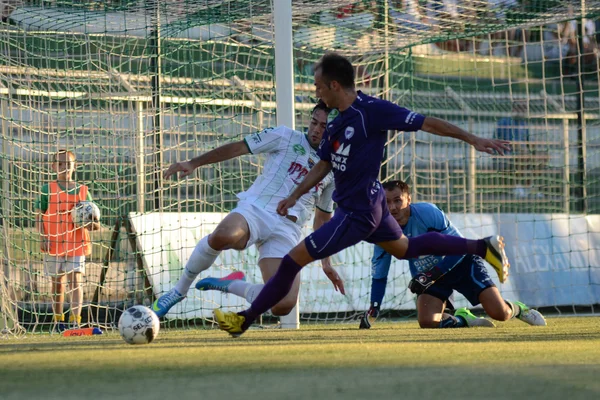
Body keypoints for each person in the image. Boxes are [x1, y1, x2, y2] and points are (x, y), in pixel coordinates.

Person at [213, 52, 512, 337]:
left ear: (334, 85)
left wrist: (472, 138)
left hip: (358, 212)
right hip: (369, 205)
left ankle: (244, 320)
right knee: (405, 248)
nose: (316, 91)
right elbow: (324, 164)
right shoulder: (337, 121)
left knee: (291, 261)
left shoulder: (372, 111)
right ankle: (482, 247)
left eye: (318, 85)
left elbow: (426, 122)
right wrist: (294, 195)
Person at [152, 101, 345, 324]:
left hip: (288, 229)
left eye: (324, 126)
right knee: (224, 236)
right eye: (314, 122)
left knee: (283, 305)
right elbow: (238, 148)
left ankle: (231, 284)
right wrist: (194, 162)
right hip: (257, 209)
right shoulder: (284, 136)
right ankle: (178, 290)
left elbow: (322, 219)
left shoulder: (333, 168)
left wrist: (326, 262)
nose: (317, 129)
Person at [358, 180, 546, 330]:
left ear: (408, 199)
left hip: (461, 265)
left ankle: (519, 308)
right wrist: (374, 308)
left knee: (499, 313)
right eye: (387, 202)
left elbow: (460, 248)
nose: (392, 208)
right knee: (427, 323)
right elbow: (380, 274)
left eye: (397, 200)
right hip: (430, 277)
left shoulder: (428, 212)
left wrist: (431, 275)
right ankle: (463, 319)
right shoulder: (383, 231)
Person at [35, 150, 101, 332]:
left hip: (77, 244)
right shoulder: (47, 190)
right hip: (54, 244)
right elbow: (39, 217)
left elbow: (94, 221)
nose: (65, 167)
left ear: (74, 166)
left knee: (76, 281)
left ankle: (76, 321)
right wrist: (43, 237)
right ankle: (58, 322)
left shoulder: (82, 191)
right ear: (54, 166)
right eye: (60, 164)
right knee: (57, 283)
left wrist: (92, 225)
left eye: (68, 164)